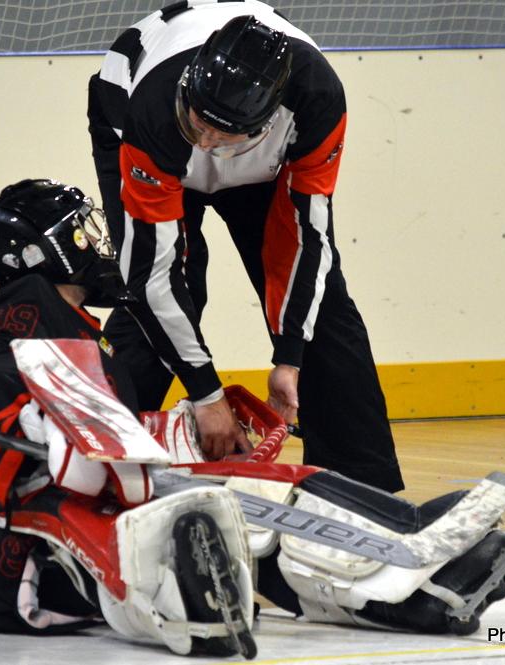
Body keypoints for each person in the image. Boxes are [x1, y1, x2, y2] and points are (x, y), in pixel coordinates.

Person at [0, 179, 257, 658]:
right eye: (81, 231)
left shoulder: (89, 334)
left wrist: (169, 440)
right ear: (42, 251)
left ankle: (171, 589)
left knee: (148, 508)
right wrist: (35, 419)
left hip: (0, 542)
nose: (96, 242)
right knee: (84, 506)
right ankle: (168, 588)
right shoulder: (28, 302)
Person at [87, 0, 405, 492]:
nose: (208, 144)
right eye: (201, 125)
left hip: (264, 165)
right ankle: (98, 465)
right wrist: (206, 395)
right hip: (146, 133)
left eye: (224, 134)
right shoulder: (151, 107)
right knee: (162, 294)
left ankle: (360, 490)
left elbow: (306, 239)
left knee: (325, 307)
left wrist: (290, 356)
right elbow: (153, 277)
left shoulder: (319, 99)